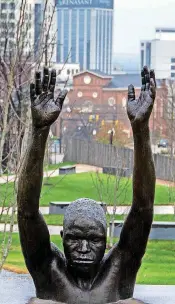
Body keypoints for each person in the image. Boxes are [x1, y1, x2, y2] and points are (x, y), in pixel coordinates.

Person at [17, 66, 156, 304]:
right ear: (61, 237)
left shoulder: (119, 271)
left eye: (94, 240)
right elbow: (27, 211)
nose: (83, 248)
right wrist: (40, 131)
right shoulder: (49, 271)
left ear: (106, 240)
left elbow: (143, 209)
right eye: (74, 238)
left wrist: (140, 129)